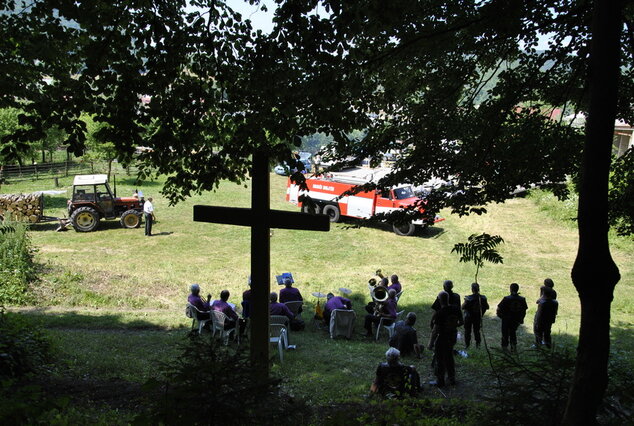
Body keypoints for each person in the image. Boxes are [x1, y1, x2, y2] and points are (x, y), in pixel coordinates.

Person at [430, 291, 464, 387]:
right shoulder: (456, 309)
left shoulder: (440, 313)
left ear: (440, 300)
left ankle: (440, 381)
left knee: (440, 359)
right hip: (452, 335)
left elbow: (435, 330)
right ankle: (451, 378)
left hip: (442, 337)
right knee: (449, 356)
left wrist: (431, 343)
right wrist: (453, 326)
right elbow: (461, 322)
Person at [496, 283, 528, 352]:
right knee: (513, 333)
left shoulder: (506, 299)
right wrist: (521, 319)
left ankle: (505, 348)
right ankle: (513, 348)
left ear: (510, 289)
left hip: (506, 319)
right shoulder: (522, 299)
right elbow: (524, 310)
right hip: (516, 319)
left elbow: (499, 308)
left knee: (505, 334)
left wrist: (500, 316)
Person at [461, 283, 490, 349]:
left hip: (469, 318)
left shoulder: (469, 298)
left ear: (472, 289)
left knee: (467, 332)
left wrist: (466, 301)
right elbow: (487, 307)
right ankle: (478, 345)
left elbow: (462, 307)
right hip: (477, 317)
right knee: (477, 331)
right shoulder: (483, 298)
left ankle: (467, 345)